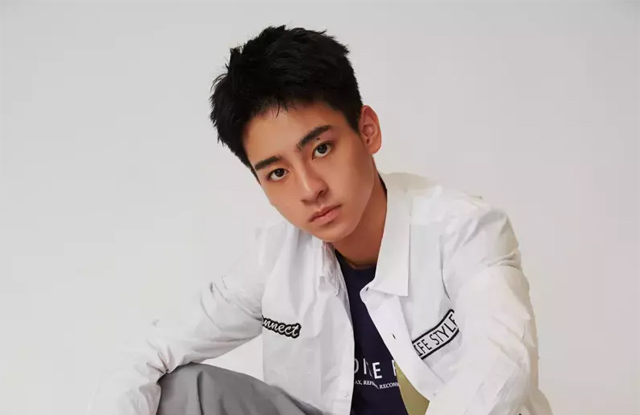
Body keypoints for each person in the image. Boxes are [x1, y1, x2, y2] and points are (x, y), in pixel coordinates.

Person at [88, 25, 554, 415]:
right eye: (278, 172)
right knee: (178, 392)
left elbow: (500, 363)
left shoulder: (465, 228)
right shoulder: (274, 259)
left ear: (367, 130)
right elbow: (147, 352)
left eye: (322, 148)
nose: (309, 188)